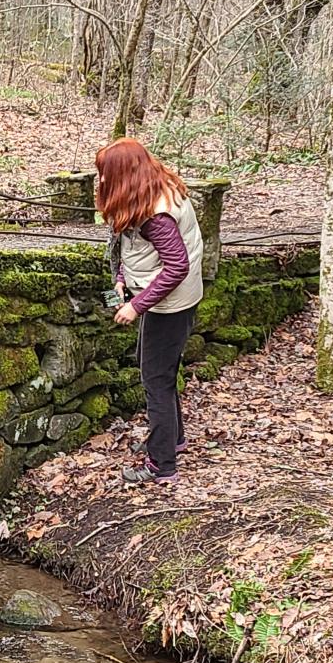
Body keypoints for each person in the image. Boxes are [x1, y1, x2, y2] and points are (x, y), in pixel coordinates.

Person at [95, 138, 204, 485]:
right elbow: (134, 247)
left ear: (123, 174)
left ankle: (162, 465)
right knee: (157, 368)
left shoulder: (157, 215)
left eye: (105, 174)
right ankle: (172, 439)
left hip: (171, 304)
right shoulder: (148, 190)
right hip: (164, 299)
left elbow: (176, 267)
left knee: (155, 380)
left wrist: (136, 306)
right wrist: (122, 279)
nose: (101, 181)